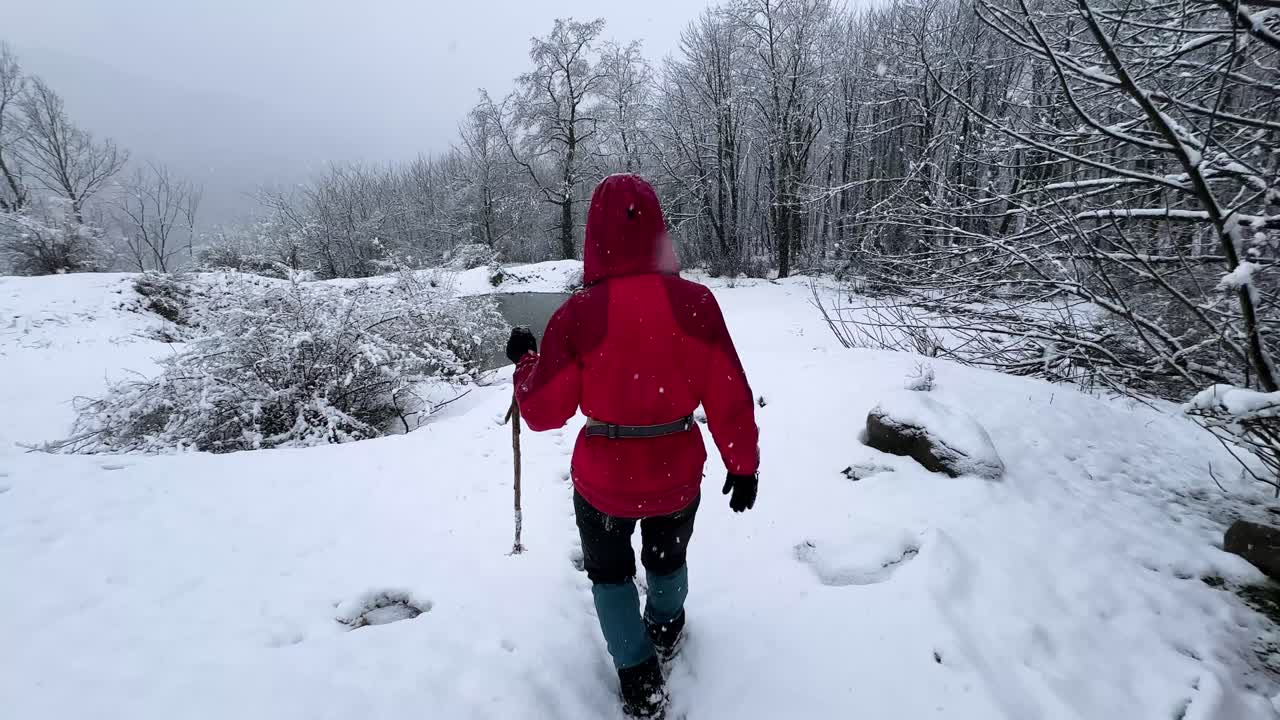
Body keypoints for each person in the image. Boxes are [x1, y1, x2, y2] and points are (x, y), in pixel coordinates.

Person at [505, 174, 760, 719]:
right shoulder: (696, 303)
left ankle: (639, 677)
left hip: (604, 485)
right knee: (667, 561)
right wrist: (743, 465)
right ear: (656, 228)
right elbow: (729, 391)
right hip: (676, 474)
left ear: (593, 236)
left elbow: (543, 411)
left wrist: (525, 361)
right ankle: (665, 629)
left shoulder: (578, 313)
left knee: (611, 575)